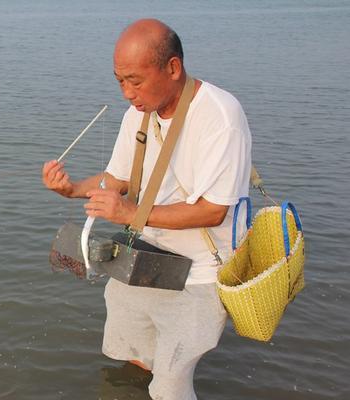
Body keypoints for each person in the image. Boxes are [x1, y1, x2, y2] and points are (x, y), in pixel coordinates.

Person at [42, 19, 252, 400]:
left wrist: (128, 214)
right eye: (119, 80)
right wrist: (71, 189)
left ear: (173, 68)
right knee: (135, 359)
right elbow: (116, 179)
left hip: (201, 273)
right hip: (143, 260)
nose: (126, 93)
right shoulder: (136, 114)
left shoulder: (220, 117)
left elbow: (212, 211)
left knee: (170, 386)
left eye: (135, 81)